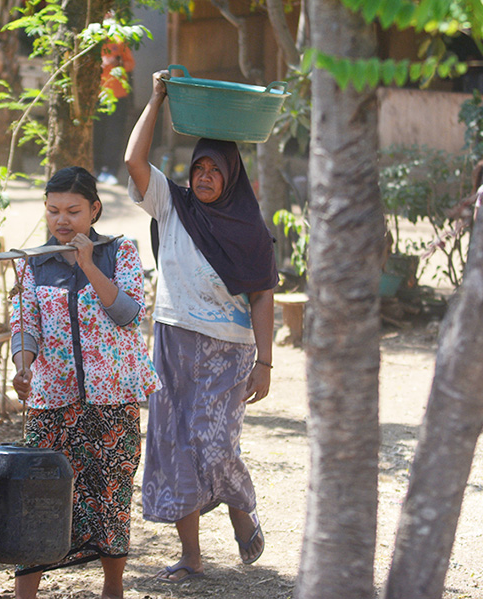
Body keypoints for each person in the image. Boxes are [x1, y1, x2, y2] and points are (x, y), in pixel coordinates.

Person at [124, 71, 277, 583]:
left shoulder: (251, 230)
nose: (205, 176)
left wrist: (265, 363)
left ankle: (240, 506)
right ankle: (191, 557)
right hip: (171, 341)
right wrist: (156, 97)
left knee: (215, 445)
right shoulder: (173, 207)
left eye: (216, 169)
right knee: (172, 446)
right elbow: (133, 161)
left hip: (229, 352)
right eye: (199, 167)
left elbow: (261, 299)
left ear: (232, 175)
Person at [11, 166, 159, 599]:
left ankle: (112, 589)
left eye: (73, 211)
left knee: (111, 496)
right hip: (52, 399)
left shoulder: (122, 251)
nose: (62, 220)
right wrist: (23, 364)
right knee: (36, 498)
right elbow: (26, 324)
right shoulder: (33, 262)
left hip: (112, 399)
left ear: (94, 210)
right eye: (54, 210)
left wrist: (89, 264)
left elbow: (129, 313)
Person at [93, 22, 135, 186]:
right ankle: (95, 168)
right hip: (96, 95)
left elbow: (131, 64)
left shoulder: (119, 40)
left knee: (114, 133)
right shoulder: (92, 39)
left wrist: (115, 62)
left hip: (117, 95)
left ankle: (110, 170)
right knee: (97, 132)